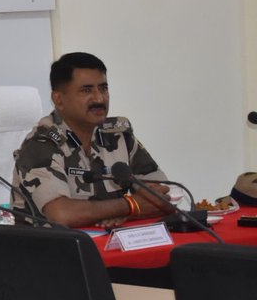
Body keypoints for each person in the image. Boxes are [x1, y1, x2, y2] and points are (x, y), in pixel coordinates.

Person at [13, 52, 174, 228]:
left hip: (110, 246)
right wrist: (130, 206)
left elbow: (161, 196)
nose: (99, 98)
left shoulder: (117, 134)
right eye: (86, 90)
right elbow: (61, 215)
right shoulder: (41, 145)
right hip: (50, 251)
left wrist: (127, 215)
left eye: (103, 88)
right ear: (58, 99)